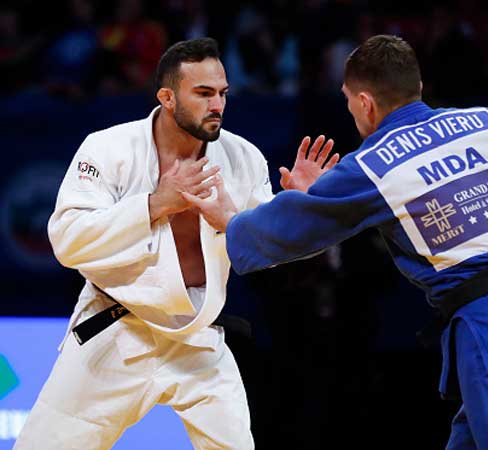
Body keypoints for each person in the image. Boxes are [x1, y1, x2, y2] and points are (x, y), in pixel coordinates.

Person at [185, 34, 488, 450]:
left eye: (347, 100)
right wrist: (487, 225)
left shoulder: (376, 164)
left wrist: (231, 221)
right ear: (418, 88)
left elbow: (293, 228)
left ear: (364, 103)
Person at [14, 37, 337, 450]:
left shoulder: (244, 159)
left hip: (197, 340)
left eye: (222, 93)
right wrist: (154, 204)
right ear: (167, 97)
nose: (216, 104)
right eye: (202, 93)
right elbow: (67, 240)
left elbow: (267, 253)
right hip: (115, 330)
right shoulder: (109, 148)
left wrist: (300, 210)